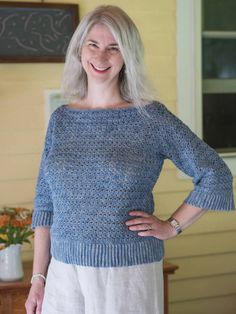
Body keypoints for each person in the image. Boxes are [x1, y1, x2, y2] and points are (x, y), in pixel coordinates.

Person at [25, 5, 235, 314]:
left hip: (126, 272)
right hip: (63, 273)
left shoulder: (150, 117)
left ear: (127, 56)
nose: (100, 57)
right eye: (93, 45)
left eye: (114, 48)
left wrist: (172, 226)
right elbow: (45, 204)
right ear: (79, 50)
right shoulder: (61, 120)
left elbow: (216, 174)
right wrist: (38, 279)